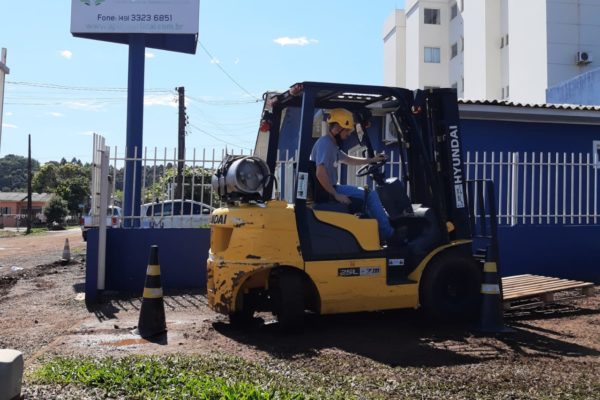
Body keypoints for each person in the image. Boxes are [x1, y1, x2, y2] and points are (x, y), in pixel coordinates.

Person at [310, 108, 395, 243]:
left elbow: (347, 159)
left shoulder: (331, 144)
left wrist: (371, 160)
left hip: (330, 189)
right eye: (347, 130)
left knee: (365, 202)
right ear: (338, 128)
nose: (349, 134)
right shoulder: (326, 144)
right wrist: (336, 194)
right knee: (371, 195)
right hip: (330, 190)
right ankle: (390, 235)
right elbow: (320, 173)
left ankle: (377, 237)